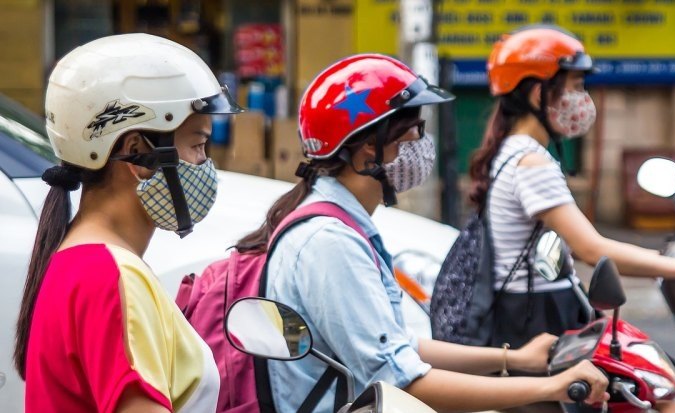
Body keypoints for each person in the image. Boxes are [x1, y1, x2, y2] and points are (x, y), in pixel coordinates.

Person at [234, 54, 609, 412]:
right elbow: (402, 381)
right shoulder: (330, 242)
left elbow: (394, 343)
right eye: (412, 134)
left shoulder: (340, 225)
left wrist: (515, 358)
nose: (421, 148)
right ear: (369, 147)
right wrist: (552, 385)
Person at [469, 25, 675, 412]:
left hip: (531, 310)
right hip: (537, 318)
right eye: (574, 85)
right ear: (539, 91)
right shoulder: (531, 162)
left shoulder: (510, 151)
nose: (581, 99)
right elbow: (592, 248)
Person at [14, 33, 242, 413]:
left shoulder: (79, 261)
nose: (205, 164)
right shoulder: (111, 276)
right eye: (198, 145)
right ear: (137, 153)